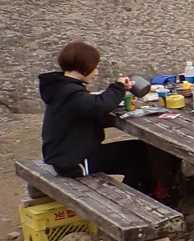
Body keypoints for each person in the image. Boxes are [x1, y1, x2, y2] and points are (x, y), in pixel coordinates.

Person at [38, 41, 152, 192]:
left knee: (139, 150)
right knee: (140, 155)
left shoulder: (60, 87)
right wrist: (118, 87)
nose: (96, 72)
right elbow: (100, 105)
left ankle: (138, 191)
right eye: (95, 67)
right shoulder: (70, 93)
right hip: (74, 162)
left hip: (65, 155)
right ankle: (138, 196)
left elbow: (87, 111)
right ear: (83, 67)